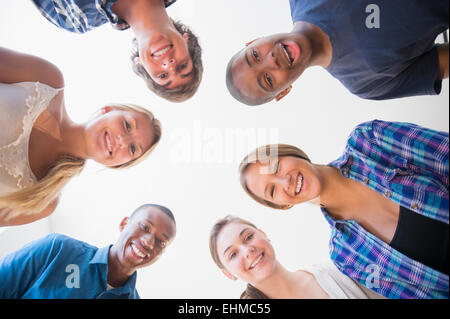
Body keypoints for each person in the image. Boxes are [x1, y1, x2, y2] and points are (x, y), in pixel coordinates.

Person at [238, 120, 449, 299]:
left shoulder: (367, 142)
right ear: (282, 205)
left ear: (289, 152)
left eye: (276, 166)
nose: (285, 181)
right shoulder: (346, 255)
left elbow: (444, 153)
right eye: (273, 191)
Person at [0, 47, 162, 226]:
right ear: (109, 110)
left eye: (132, 148)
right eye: (127, 125)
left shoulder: (43, 202)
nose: (123, 140)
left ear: (118, 165)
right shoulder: (47, 79)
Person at [226, 0, 449, 106]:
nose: (270, 60)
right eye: (267, 78)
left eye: (255, 55)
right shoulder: (365, 84)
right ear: (283, 92)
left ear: (255, 40)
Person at [31, 0, 203, 102]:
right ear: (187, 40)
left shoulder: (75, 19)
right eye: (182, 66)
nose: (169, 65)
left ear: (140, 64)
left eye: (162, 76)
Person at [0, 204, 176, 299]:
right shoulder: (58, 249)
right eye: (145, 227)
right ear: (124, 223)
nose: (149, 242)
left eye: (161, 241)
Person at [210, 215, 384, 299]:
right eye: (233, 254)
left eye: (248, 237)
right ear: (228, 274)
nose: (247, 250)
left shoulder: (334, 272)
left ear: (263, 234)